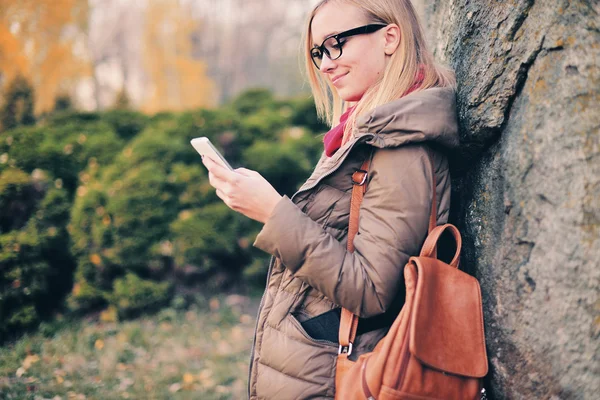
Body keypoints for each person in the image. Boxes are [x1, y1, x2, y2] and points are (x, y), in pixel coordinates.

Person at [202, 0, 459, 398]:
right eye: (319, 51)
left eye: (337, 43)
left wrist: (273, 212)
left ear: (390, 37)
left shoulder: (402, 149)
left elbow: (373, 290)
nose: (325, 64)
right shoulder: (366, 134)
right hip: (317, 366)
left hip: (344, 374)